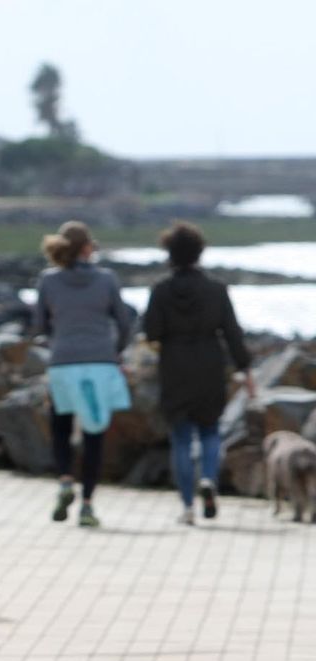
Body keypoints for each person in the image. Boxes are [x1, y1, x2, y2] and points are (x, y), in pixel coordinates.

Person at [143, 222, 256, 525]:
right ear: (199, 252)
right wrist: (245, 369)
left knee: (181, 437)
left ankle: (187, 506)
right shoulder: (217, 290)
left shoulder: (161, 290)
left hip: (174, 366)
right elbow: (232, 333)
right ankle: (208, 478)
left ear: (169, 253)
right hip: (209, 364)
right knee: (210, 432)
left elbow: (151, 331)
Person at [31, 221, 133, 528]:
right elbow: (125, 321)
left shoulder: (48, 280)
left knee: (60, 427)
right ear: (88, 248)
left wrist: (58, 337)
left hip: (63, 361)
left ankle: (65, 481)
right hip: (100, 361)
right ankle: (87, 505)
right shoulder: (106, 279)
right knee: (94, 436)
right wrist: (116, 350)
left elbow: (39, 324)